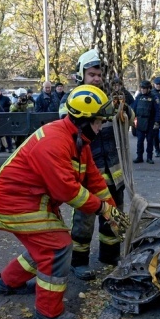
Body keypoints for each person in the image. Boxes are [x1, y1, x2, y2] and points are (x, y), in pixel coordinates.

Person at [0, 85, 127, 319]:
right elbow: (68, 191)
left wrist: (113, 209)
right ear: (84, 121)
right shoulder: (54, 142)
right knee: (58, 247)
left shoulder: (78, 140)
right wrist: (103, 210)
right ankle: (48, 311)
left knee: (42, 248)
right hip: (17, 202)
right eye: (98, 122)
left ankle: (7, 283)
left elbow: (94, 179)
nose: (100, 127)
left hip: (32, 200)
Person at [65, 48, 134, 281]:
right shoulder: (72, 101)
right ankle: (79, 262)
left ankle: (110, 255)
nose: (96, 78)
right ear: (81, 74)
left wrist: (125, 109)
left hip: (114, 173)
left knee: (113, 217)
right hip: (88, 175)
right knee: (84, 222)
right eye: (92, 74)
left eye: (98, 75)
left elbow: (127, 121)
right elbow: (68, 128)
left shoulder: (108, 99)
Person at [131, 80, 160, 164]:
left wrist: (157, 122)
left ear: (148, 89)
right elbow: (133, 108)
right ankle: (139, 157)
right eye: (142, 88)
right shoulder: (139, 97)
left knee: (149, 140)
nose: (142, 90)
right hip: (140, 121)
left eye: (144, 88)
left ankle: (149, 157)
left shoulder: (154, 97)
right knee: (140, 140)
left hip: (150, 122)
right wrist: (132, 119)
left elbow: (158, 110)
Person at [0, 88, 14, 153]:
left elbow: (11, 107)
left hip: (6, 117)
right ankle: (2, 147)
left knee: (7, 133)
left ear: (0, 91)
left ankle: (10, 147)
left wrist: (3, 109)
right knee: (0, 135)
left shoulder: (6, 98)